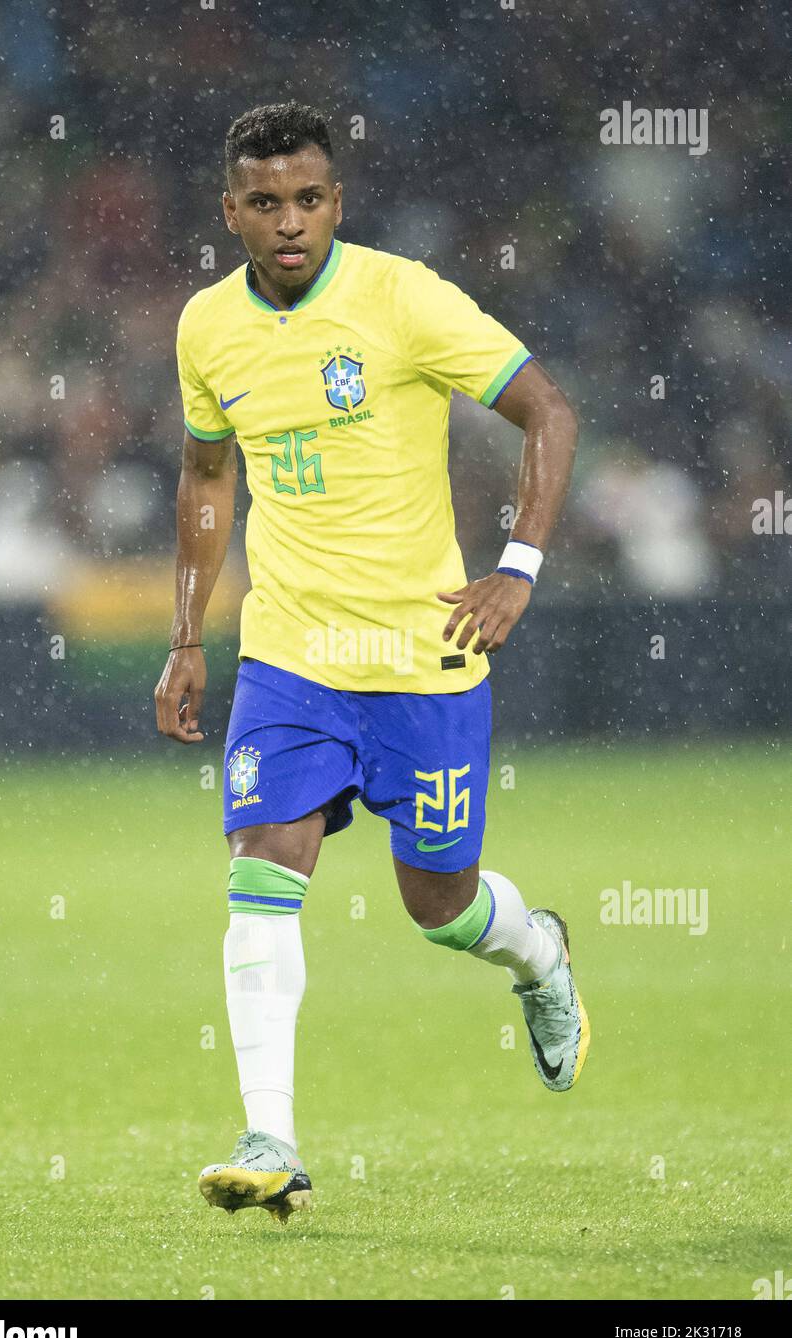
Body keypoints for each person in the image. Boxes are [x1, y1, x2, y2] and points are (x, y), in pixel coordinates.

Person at [154, 100, 589, 1224]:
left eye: (307, 199)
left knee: (438, 907)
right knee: (262, 869)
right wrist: (189, 635)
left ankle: (537, 954)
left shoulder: (401, 298)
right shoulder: (207, 328)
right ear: (230, 213)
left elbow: (547, 410)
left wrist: (518, 566)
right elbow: (208, 479)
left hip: (422, 653)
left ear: (336, 203)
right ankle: (270, 1136)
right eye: (264, 203)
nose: (288, 222)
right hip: (291, 658)